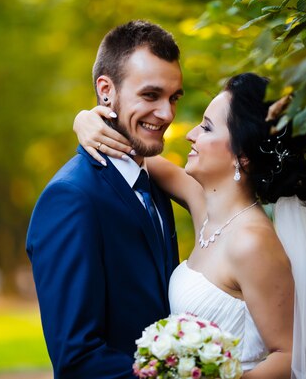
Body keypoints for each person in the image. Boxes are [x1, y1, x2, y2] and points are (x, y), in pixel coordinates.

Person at [74, 72, 306, 378]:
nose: (190, 134)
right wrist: (87, 121)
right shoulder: (204, 206)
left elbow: (289, 354)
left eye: (207, 127)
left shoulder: (252, 242)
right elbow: (137, 153)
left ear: (243, 156)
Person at [26, 20, 185, 379]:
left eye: (174, 98)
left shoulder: (157, 185)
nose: (167, 114)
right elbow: (77, 357)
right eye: (150, 95)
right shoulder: (70, 198)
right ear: (106, 90)